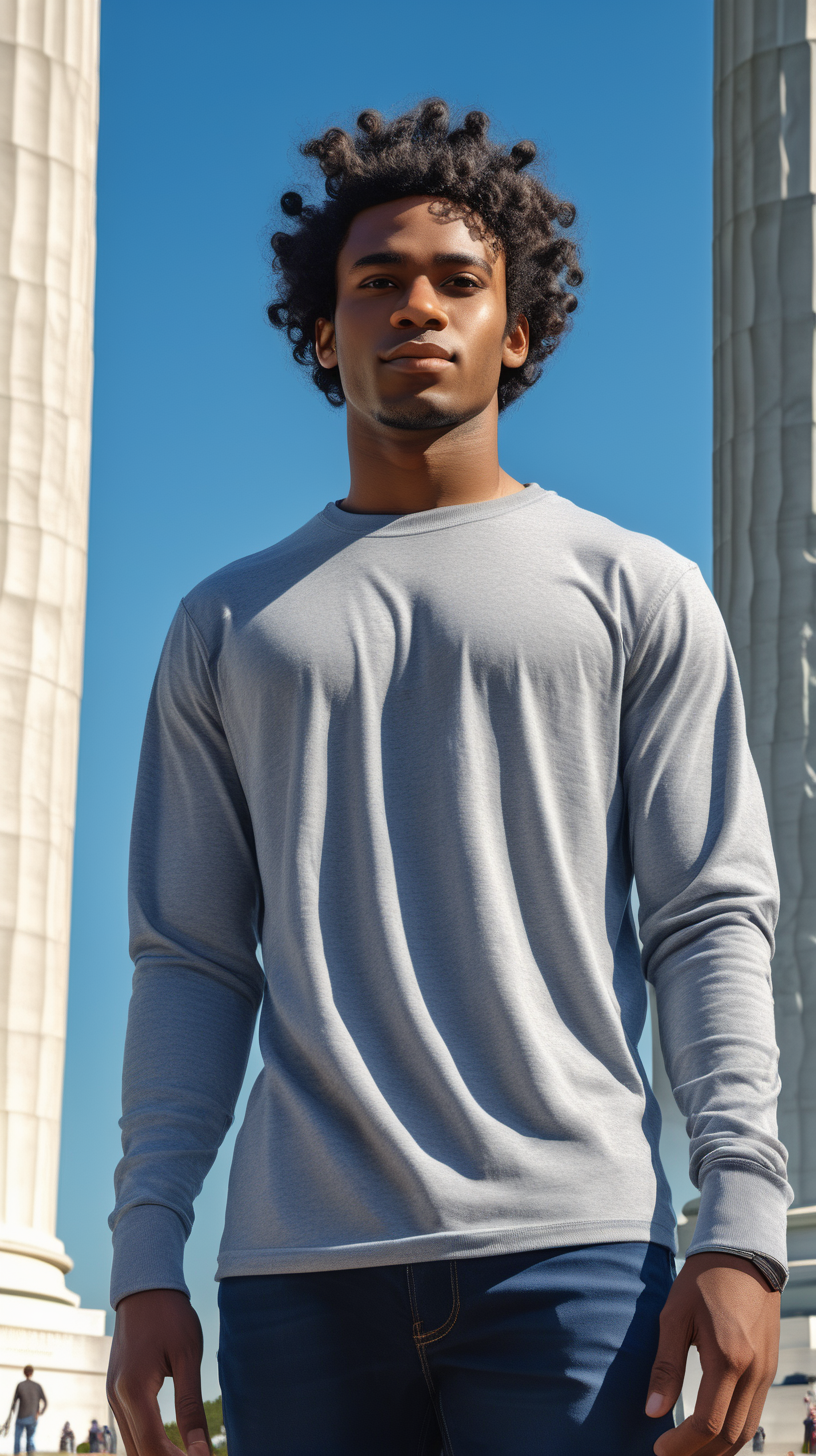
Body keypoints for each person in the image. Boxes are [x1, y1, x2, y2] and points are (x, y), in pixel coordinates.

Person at [106, 99, 791, 1456]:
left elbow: (708, 916)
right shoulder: (227, 624)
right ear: (323, 332)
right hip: (297, 1273)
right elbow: (190, 960)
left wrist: (746, 1224)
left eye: (457, 281)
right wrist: (141, 1256)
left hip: (575, 1253)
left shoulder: (636, 589)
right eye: (376, 282)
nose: (416, 304)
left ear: (515, 330)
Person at [2, 1366, 46, 1454]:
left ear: (24, 1372)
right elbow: (45, 1402)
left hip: (21, 1417)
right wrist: (39, 1413)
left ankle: (17, 1454)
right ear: (32, 1373)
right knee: (30, 1439)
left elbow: (13, 1404)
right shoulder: (37, 1386)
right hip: (33, 1417)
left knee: (17, 1439)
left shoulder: (20, 1385)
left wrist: (9, 1417)